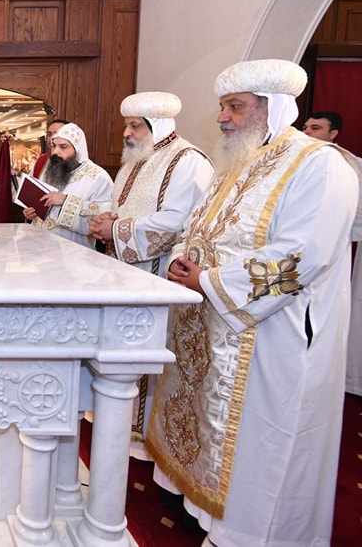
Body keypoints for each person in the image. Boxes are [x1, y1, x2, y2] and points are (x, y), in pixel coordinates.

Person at [146, 59, 359, 547]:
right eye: (223, 106)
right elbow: (196, 227)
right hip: (213, 321)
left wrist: (210, 280)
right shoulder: (238, 160)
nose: (223, 117)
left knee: (261, 443)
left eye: (235, 107)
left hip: (274, 335)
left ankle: (249, 535)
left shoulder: (318, 164)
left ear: (274, 107)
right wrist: (181, 260)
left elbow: (301, 257)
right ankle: (202, 508)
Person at [88, 91, 213, 460]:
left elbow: (177, 223)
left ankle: (145, 437)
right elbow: (120, 206)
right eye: (126, 125)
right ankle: (118, 420)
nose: (126, 133)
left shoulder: (186, 161)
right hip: (124, 273)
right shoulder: (134, 160)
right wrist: (106, 219)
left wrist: (117, 229)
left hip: (156, 277)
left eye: (135, 126)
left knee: (148, 356)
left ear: (156, 125)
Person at [302, 111, 362, 397]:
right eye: (305, 127)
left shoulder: (341, 164)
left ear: (333, 133)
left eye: (316, 127)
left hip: (325, 255)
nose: (307, 132)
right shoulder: (298, 160)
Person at [22, 122, 112, 247]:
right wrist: (30, 213)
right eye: (54, 146)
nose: (55, 152)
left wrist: (65, 201)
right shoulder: (50, 168)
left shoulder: (98, 177)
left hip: (74, 252)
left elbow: (103, 218)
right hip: (40, 247)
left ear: (77, 149)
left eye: (63, 147)